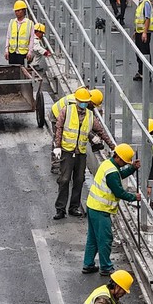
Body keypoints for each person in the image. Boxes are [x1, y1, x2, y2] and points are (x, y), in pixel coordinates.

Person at [53, 89, 117, 220]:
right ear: (77, 100)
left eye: (85, 102)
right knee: (64, 180)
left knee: (79, 180)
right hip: (67, 151)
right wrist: (57, 146)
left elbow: (101, 132)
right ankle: (60, 209)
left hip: (80, 153)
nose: (83, 104)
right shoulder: (67, 111)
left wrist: (113, 147)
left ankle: (74, 207)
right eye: (81, 101)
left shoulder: (90, 116)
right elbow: (59, 128)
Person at [82, 143, 142, 276]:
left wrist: (132, 168)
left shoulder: (108, 164)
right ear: (118, 158)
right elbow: (119, 192)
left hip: (93, 206)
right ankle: (106, 267)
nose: (124, 164)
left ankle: (88, 264)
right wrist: (134, 197)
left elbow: (119, 174)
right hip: (101, 210)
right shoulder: (112, 173)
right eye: (124, 162)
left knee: (93, 238)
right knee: (105, 239)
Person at [132, 0, 153, 81]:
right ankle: (141, 72)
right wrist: (136, 31)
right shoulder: (142, 3)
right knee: (139, 53)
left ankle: (146, 74)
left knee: (144, 53)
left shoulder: (145, 3)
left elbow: (147, 19)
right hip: (140, 32)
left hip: (144, 33)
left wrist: (144, 33)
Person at [4, 0, 32, 65]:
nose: (17, 12)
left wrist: (30, 52)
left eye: (19, 10)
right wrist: (6, 50)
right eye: (16, 11)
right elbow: (8, 37)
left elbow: (31, 39)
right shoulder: (12, 22)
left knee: (22, 69)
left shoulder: (29, 23)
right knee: (12, 70)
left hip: (23, 53)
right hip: (12, 52)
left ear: (23, 11)